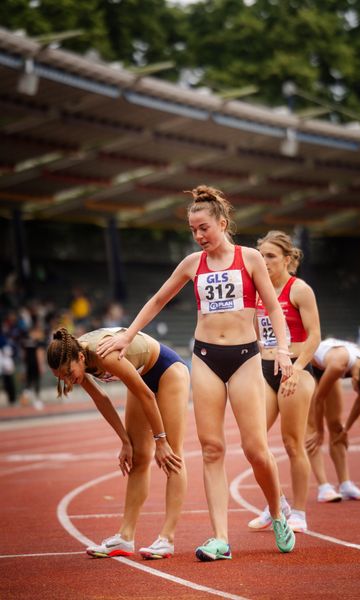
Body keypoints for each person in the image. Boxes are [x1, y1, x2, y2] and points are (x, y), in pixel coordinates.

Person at [96, 184, 296, 561]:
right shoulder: (192, 264)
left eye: (203, 228)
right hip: (205, 356)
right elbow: (157, 300)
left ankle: (277, 510)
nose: (199, 236)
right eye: (193, 230)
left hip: (245, 357)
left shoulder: (249, 258)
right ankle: (220, 537)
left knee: (255, 449)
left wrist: (282, 352)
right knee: (211, 448)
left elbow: (272, 308)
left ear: (222, 223)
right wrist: (128, 335)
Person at [47, 326, 189, 560]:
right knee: (138, 457)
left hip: (167, 370)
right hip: (142, 377)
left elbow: (147, 396)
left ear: (81, 358)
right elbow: (101, 399)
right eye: (61, 378)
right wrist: (124, 441)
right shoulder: (73, 356)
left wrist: (160, 440)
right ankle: (125, 536)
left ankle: (167, 538)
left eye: (67, 373)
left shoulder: (105, 356)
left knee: (172, 454)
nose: (67, 380)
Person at [248, 231, 321, 533]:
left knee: (292, 443)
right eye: (261, 255)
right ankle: (277, 503)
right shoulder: (256, 292)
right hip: (264, 368)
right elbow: (255, 333)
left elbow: (315, 335)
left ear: (288, 259)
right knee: (254, 443)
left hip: (295, 369)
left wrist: (297, 368)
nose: (264, 262)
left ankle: (300, 513)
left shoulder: (299, 290)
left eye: (271, 256)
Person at [306, 338, 360, 502]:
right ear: (355, 381)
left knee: (336, 426)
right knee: (313, 430)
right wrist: (321, 433)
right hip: (309, 368)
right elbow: (319, 400)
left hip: (328, 368)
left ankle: (345, 484)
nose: (356, 392)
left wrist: (346, 430)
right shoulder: (338, 366)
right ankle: (324, 488)